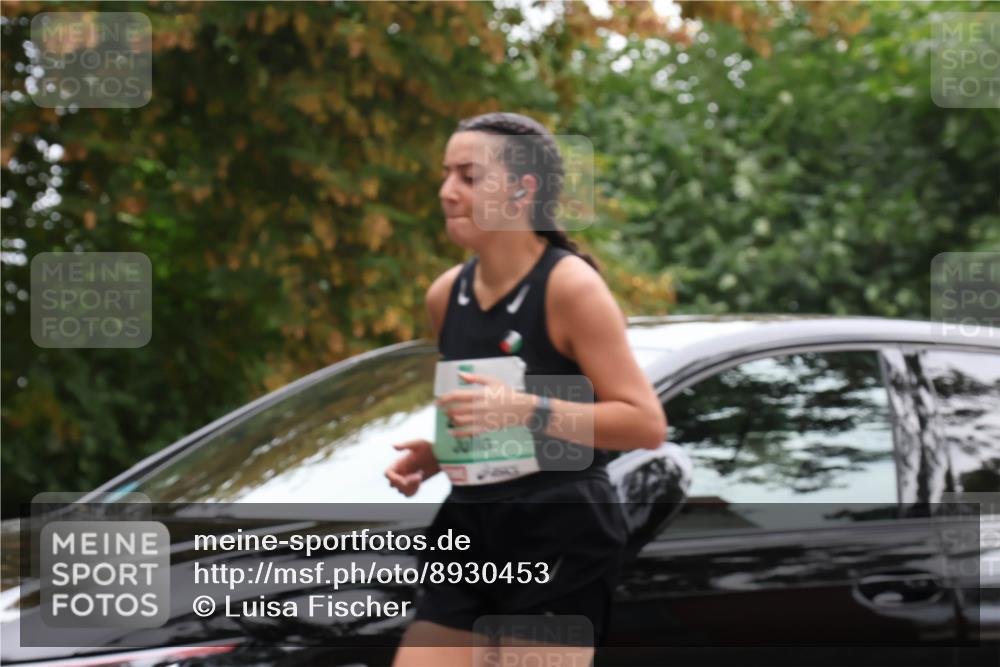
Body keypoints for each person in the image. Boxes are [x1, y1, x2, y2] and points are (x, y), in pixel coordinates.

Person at [385, 112, 667, 667]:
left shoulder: (570, 286)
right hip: (470, 524)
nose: (447, 192)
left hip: (559, 530)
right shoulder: (446, 294)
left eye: (469, 177)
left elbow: (644, 423)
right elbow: (495, 418)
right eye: (446, 175)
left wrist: (524, 409)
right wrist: (442, 453)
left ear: (523, 189)